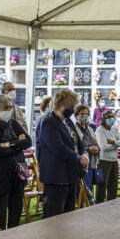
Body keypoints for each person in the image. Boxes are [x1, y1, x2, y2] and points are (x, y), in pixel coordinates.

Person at [36, 89, 89, 218]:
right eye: (70, 106)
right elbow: (57, 148)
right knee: (53, 216)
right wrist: (78, 158)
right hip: (56, 175)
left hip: (69, 174)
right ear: (60, 106)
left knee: (67, 215)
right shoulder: (48, 121)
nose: (72, 110)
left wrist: (84, 153)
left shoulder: (67, 121)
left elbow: (77, 142)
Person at [0, 95, 32, 229]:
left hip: (18, 174)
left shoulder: (14, 124)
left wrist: (7, 145)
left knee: (16, 213)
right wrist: (17, 144)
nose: (9, 110)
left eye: (10, 107)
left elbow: (28, 142)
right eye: (6, 107)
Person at [95, 111, 120, 203]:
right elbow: (103, 147)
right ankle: (99, 205)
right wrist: (116, 144)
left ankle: (112, 204)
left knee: (113, 185)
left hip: (114, 160)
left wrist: (113, 142)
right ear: (104, 119)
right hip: (104, 161)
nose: (111, 118)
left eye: (113, 117)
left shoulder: (114, 129)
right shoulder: (100, 130)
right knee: (102, 185)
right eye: (109, 117)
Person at [73, 105, 99, 190]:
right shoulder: (73, 129)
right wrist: (88, 150)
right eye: (82, 114)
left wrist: (97, 149)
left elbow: (96, 143)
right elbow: (74, 146)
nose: (85, 116)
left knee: (89, 190)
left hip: (91, 163)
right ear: (76, 116)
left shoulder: (90, 130)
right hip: (80, 164)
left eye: (87, 114)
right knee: (80, 191)